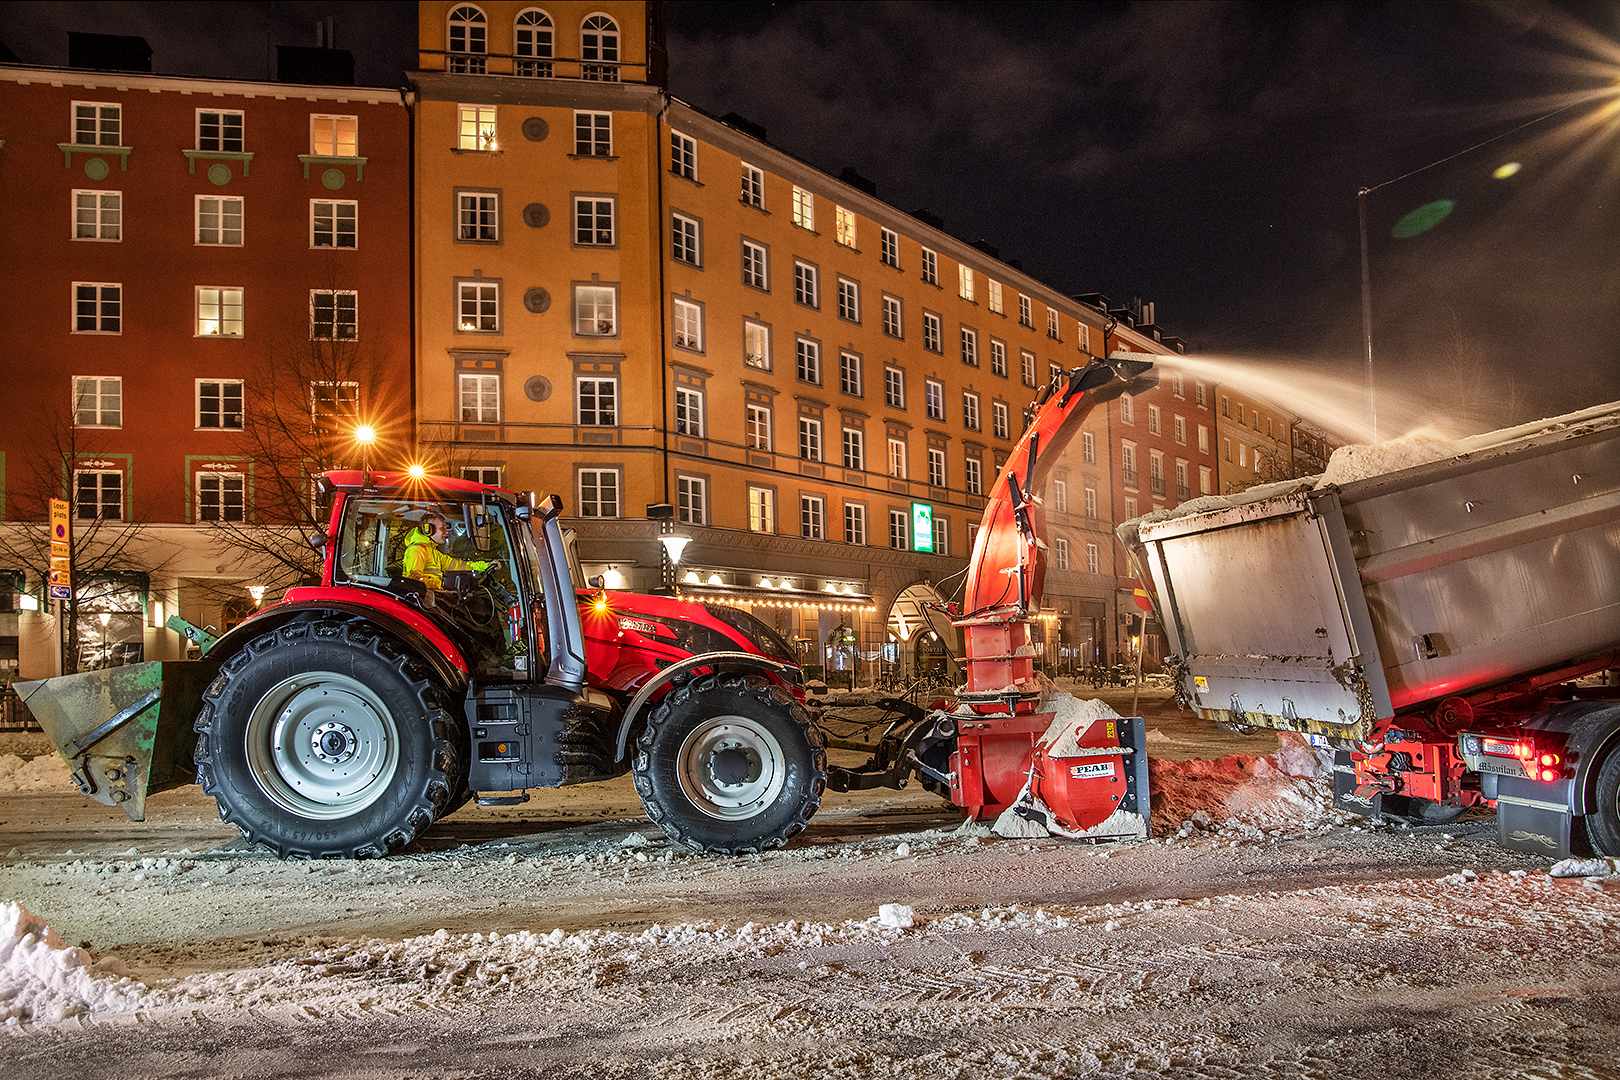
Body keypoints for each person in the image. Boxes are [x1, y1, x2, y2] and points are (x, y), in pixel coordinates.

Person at [402, 512, 494, 589]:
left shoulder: (434, 552)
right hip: (424, 603)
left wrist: (485, 566)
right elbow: (414, 580)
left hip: (433, 598)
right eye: (442, 528)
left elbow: (459, 565)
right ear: (428, 530)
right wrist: (441, 585)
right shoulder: (417, 550)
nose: (446, 533)